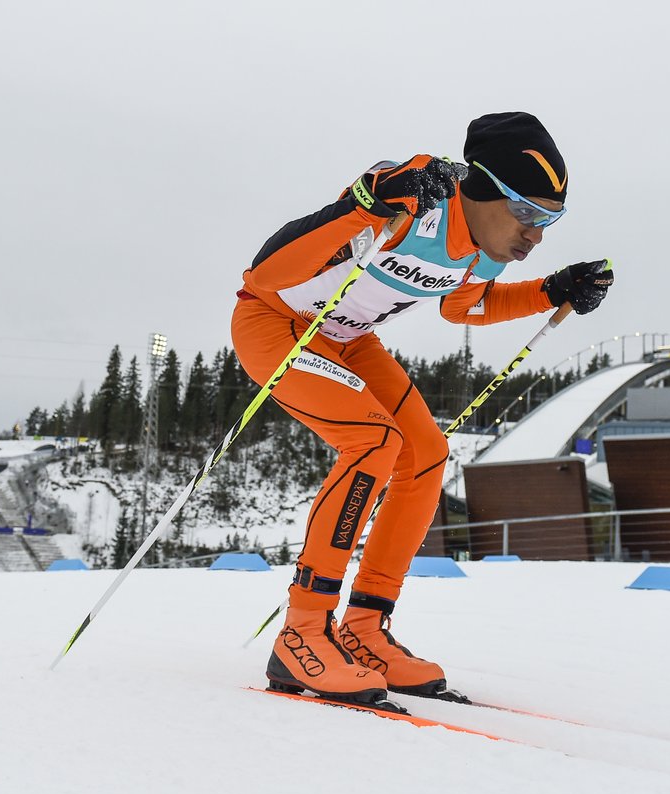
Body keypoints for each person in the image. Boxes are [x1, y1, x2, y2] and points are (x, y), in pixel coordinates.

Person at [232, 112, 613, 706]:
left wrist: (552, 289)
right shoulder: (418, 195)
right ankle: (302, 633)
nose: (536, 235)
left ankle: (362, 629)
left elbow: (463, 309)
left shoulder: (483, 250)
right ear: (483, 188)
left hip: (349, 338)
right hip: (277, 324)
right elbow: (265, 274)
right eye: (529, 213)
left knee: (426, 455)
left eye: (551, 220)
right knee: (375, 441)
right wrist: (366, 203)